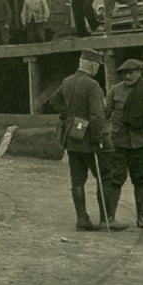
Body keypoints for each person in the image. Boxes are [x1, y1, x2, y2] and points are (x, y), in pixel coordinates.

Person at [49, 49, 126, 232]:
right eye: (97, 66)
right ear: (91, 65)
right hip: (91, 140)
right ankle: (106, 219)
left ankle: (82, 219)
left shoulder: (67, 81)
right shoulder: (92, 85)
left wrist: (69, 116)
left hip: (73, 137)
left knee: (77, 180)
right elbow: (97, 116)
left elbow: (54, 101)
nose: (98, 70)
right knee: (104, 177)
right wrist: (98, 138)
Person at [101, 58, 143, 229]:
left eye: (131, 72)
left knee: (141, 181)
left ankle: (141, 217)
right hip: (119, 143)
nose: (127, 76)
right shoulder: (115, 91)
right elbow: (106, 114)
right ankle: (111, 216)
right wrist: (106, 133)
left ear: (139, 72)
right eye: (124, 73)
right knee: (115, 180)